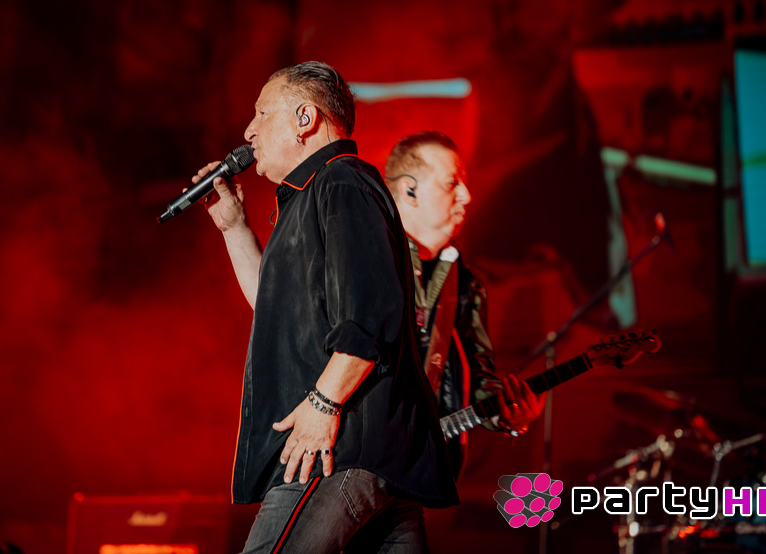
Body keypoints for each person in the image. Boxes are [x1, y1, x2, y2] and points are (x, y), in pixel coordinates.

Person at [191, 63, 458, 553]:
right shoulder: (311, 195)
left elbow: (370, 314)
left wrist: (323, 404)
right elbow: (272, 307)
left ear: (305, 118)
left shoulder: (342, 182)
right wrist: (233, 227)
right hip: (365, 455)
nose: (249, 131)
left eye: (262, 114)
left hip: (337, 450)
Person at [384, 131, 545, 477]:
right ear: (409, 190)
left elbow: (478, 379)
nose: (467, 196)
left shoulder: (468, 284)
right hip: (353, 468)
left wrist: (510, 415)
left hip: (427, 473)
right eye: (451, 183)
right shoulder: (367, 260)